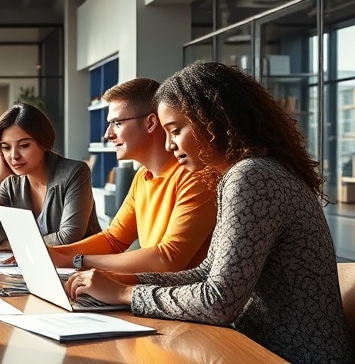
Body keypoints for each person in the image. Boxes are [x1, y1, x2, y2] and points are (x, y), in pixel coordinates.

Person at [65, 62, 354, 363]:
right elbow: (208, 275)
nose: (168, 144)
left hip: (287, 356)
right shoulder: (244, 174)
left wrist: (125, 295)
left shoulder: (252, 177)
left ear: (213, 121)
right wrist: (127, 282)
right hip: (256, 347)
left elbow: (218, 301)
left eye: (175, 131)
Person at [32, 78, 217, 272]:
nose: (107, 134)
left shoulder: (196, 176)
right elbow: (113, 240)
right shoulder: (142, 177)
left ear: (151, 123)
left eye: (116, 123)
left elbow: (168, 258)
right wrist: (49, 252)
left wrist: (76, 260)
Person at [0, 103, 101, 251]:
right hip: (34, 268)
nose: (14, 156)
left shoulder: (75, 173)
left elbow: (68, 237)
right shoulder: (10, 184)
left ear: (43, 142)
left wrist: (13, 244)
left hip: (82, 267)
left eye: (24, 145)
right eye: (6, 147)